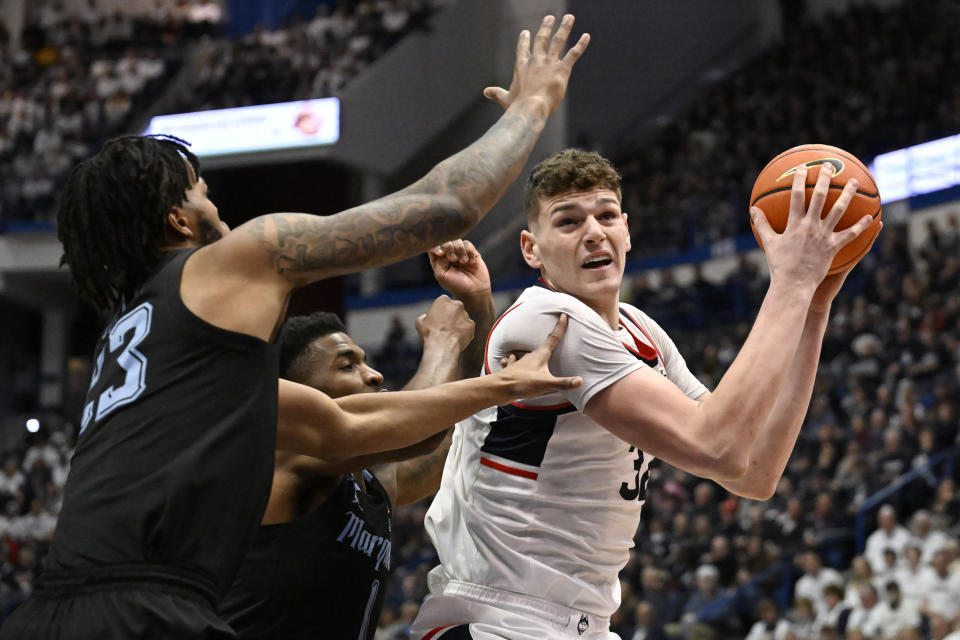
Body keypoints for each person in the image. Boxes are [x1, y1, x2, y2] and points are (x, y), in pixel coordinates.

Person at [0, 15, 590, 639]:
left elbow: (355, 431)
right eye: (204, 194)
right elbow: (447, 206)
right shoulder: (227, 263)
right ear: (176, 219)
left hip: (53, 611)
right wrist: (532, 105)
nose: (219, 209)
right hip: (147, 608)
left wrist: (480, 360)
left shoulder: (141, 344)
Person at [410, 148, 876, 639]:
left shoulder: (641, 330)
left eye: (607, 215)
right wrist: (792, 281)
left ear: (626, 231)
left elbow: (754, 471)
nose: (594, 232)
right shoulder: (545, 320)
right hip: (499, 618)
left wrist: (815, 306)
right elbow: (717, 443)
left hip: (577, 624)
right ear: (531, 249)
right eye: (568, 222)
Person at [221, 240, 495, 639]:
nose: (375, 375)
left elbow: (455, 428)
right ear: (301, 394)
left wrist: (478, 304)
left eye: (366, 361)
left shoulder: (373, 478)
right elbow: (419, 427)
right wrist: (443, 341)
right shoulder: (282, 456)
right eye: (347, 365)